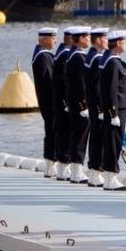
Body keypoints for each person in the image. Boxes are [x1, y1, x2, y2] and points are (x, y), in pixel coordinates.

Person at [99, 30, 126, 191]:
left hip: (118, 108)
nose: (125, 44)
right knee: (113, 142)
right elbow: (110, 90)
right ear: (117, 44)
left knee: (114, 142)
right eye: (124, 41)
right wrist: (113, 113)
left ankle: (110, 177)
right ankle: (110, 177)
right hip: (117, 108)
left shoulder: (111, 60)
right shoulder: (112, 62)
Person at [64, 26, 92, 184]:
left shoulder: (71, 54)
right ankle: (77, 170)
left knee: (76, 135)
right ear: (80, 39)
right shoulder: (80, 57)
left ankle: (75, 170)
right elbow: (81, 85)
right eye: (87, 36)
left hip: (73, 103)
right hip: (80, 105)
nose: (89, 39)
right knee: (80, 137)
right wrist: (84, 106)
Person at [83, 27, 109, 187]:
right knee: (99, 138)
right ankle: (96, 170)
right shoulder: (98, 58)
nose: (107, 41)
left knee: (95, 137)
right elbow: (98, 86)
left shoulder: (91, 56)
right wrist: (101, 108)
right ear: (99, 40)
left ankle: (94, 171)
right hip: (98, 105)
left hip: (92, 104)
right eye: (105, 38)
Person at [49, 27, 73, 179]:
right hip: (64, 101)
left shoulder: (60, 52)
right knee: (66, 132)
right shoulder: (65, 54)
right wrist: (67, 102)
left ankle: (63, 167)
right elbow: (64, 81)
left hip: (59, 100)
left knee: (62, 132)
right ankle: (64, 166)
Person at [31, 27, 57, 167]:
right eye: (53, 38)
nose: (55, 41)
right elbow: (50, 81)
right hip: (50, 101)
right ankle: (51, 163)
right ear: (45, 39)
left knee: (51, 130)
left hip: (46, 100)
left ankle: (50, 163)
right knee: (53, 131)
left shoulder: (41, 54)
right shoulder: (43, 57)